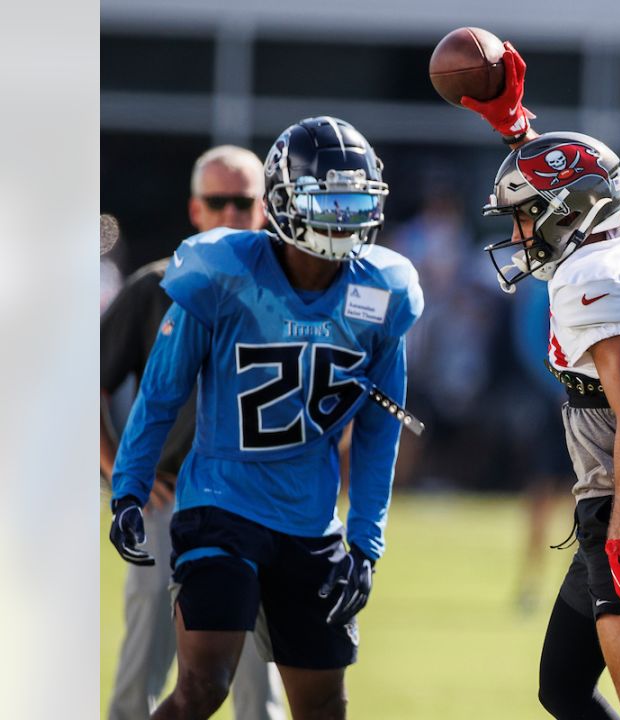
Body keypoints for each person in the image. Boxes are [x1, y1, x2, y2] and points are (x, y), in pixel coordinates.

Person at [106, 117, 423, 720]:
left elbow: (381, 429)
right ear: (282, 199)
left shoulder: (382, 291)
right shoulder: (223, 273)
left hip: (309, 516)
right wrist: (129, 482)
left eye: (353, 200)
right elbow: (161, 391)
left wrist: (365, 541)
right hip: (220, 499)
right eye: (325, 199)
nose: (341, 216)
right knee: (205, 682)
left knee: (323, 705)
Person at [462, 42, 620, 720]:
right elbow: (575, 177)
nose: (519, 231)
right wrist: (517, 129)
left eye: (526, 214)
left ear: (567, 214)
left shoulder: (593, 280)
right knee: (562, 688)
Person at [101, 145, 286, 720]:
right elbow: (86, 382)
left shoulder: (290, 284)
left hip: (258, 501)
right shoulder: (154, 287)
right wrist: (118, 470)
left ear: (266, 207)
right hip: (170, 496)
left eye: (244, 201)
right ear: (195, 209)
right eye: (217, 201)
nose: (231, 213)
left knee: (261, 671)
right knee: (146, 656)